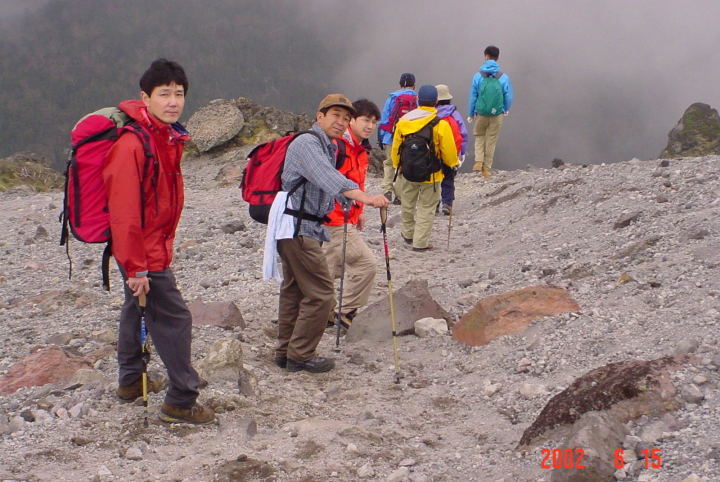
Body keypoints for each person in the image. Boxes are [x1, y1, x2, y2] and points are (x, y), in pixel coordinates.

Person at [104, 59, 214, 424]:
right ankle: (181, 400)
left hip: (147, 247)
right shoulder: (133, 144)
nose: (172, 101)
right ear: (145, 97)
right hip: (142, 251)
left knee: (135, 307)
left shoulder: (164, 137)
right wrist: (136, 266)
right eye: (163, 93)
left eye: (179, 94)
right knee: (175, 319)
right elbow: (123, 213)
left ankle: (131, 381)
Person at [275, 94, 389, 373]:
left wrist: (353, 209)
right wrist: (366, 198)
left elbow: (326, 186)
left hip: (302, 225)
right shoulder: (308, 144)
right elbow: (329, 178)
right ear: (320, 116)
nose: (341, 122)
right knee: (322, 293)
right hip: (298, 226)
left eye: (346, 117)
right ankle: (301, 354)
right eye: (335, 115)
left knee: (295, 291)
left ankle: (285, 351)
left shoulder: (328, 146)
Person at [324, 99, 381, 330]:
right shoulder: (339, 146)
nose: (370, 126)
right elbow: (334, 182)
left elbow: (357, 182)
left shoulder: (359, 148)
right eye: (366, 120)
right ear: (353, 120)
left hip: (341, 218)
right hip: (333, 219)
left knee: (327, 271)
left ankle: (325, 314)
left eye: (374, 122)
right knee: (366, 265)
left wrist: (359, 212)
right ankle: (343, 312)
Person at [391, 85, 458, 252]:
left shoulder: (404, 122)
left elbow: (396, 147)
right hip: (432, 174)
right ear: (436, 102)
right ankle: (420, 243)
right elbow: (449, 152)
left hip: (408, 172)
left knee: (407, 203)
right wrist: (452, 164)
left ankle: (408, 234)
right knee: (426, 207)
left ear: (418, 101)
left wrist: (397, 165)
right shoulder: (440, 124)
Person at [466, 45, 514, 177]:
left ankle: (478, 161)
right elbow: (508, 96)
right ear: (498, 58)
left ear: (485, 56)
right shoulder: (503, 77)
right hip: (497, 113)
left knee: (479, 135)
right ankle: (486, 168)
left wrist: (471, 113)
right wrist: (506, 109)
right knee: (491, 139)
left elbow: (473, 96)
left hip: (481, 112)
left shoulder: (478, 76)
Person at [378, 73, 417, 203]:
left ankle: (387, 190)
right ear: (414, 85)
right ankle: (399, 196)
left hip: (391, 137)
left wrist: (383, 137)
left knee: (389, 163)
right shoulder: (416, 99)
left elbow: (385, 118)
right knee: (403, 165)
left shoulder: (392, 98)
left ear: (399, 85)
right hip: (409, 138)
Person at [435, 84, 467, 215]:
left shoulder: (431, 114)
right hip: (451, 152)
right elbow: (463, 133)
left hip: (435, 153)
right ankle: (447, 204)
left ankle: (434, 204)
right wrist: (462, 153)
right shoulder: (454, 114)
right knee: (448, 178)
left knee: (435, 180)